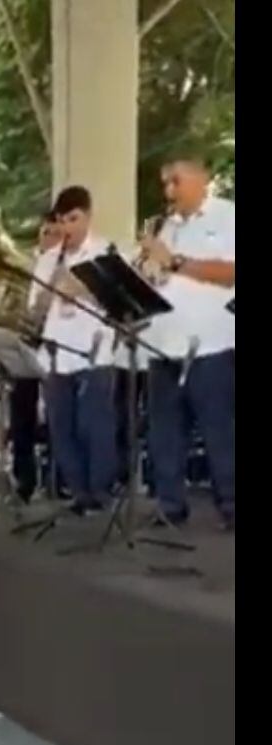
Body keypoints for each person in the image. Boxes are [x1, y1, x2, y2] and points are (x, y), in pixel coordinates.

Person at [138, 156, 235, 530]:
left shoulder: (226, 216)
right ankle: (170, 505)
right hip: (164, 343)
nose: (169, 191)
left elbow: (229, 273)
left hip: (210, 344)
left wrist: (175, 262)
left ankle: (230, 505)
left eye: (175, 181)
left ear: (202, 179)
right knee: (164, 431)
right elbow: (160, 275)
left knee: (218, 429)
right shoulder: (167, 226)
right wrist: (148, 270)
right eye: (165, 183)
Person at [30, 186, 117, 515]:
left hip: (94, 351)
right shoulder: (48, 260)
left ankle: (100, 492)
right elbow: (35, 312)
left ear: (88, 216)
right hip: (57, 354)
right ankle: (79, 493)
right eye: (62, 221)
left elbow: (117, 301)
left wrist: (81, 289)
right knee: (61, 428)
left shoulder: (105, 252)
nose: (68, 227)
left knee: (94, 426)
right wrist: (49, 287)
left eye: (74, 219)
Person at [10, 210, 62, 502]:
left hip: (55, 348)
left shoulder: (65, 265)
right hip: (28, 346)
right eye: (46, 233)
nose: (50, 239)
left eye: (56, 234)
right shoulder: (28, 268)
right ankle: (24, 481)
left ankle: (58, 480)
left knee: (57, 418)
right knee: (21, 417)